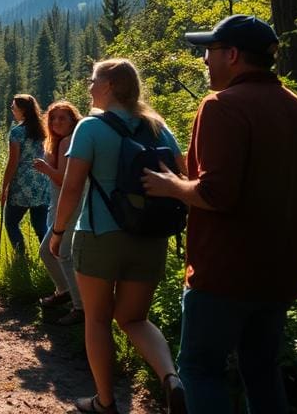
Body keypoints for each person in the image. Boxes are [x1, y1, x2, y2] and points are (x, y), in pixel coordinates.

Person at [143, 15, 297, 414]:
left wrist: (171, 185)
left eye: (209, 51)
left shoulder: (221, 106)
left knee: (200, 370)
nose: (204, 60)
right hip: (280, 271)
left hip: (223, 273)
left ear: (232, 55)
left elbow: (216, 195)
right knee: (262, 371)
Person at [51, 59, 186, 414]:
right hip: (150, 236)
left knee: (97, 319)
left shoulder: (91, 127)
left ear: (109, 86)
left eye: (93, 79)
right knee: (134, 318)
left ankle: (105, 401)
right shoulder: (158, 125)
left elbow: (72, 188)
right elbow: (182, 174)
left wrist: (58, 231)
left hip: (99, 236)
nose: (89, 85)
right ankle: (171, 378)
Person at [34, 100, 84, 324]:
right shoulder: (59, 142)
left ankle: (80, 307)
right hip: (60, 205)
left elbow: (65, 181)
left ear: (74, 120)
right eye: (52, 118)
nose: (56, 122)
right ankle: (65, 292)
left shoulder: (67, 143)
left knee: (61, 252)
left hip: (70, 206)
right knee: (49, 251)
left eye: (62, 118)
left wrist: (46, 169)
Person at [0, 94, 50, 253]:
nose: (12, 110)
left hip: (22, 182)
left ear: (22, 110)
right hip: (41, 179)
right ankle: (50, 259)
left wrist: (4, 186)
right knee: (40, 224)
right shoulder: (43, 130)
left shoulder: (17, 132)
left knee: (11, 223)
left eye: (13, 107)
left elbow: (13, 162)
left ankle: (21, 256)